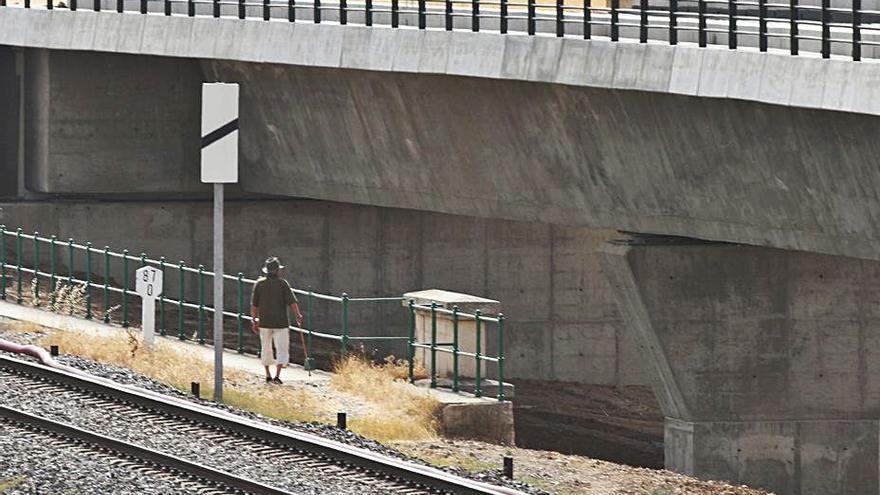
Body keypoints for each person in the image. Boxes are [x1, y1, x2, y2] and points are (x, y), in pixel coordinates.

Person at [250, 256, 303, 384]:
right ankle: (277, 376)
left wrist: (254, 320)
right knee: (282, 348)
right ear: (277, 270)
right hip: (281, 322)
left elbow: (254, 305)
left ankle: (267, 374)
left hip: (265, 322)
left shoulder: (259, 284)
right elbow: (292, 302)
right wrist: (298, 315)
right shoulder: (283, 284)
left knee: (266, 347)